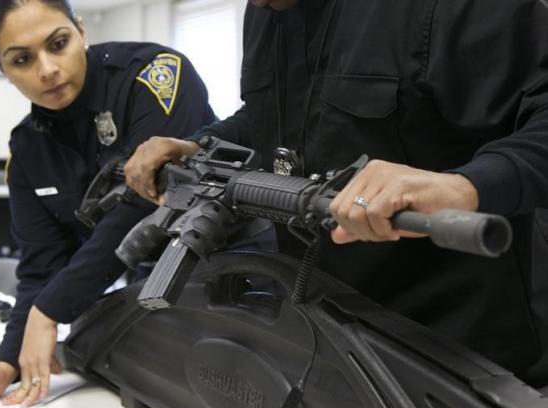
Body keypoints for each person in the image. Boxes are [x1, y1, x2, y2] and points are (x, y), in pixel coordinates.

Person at [125, 0, 548, 386]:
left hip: (469, 354)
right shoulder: (265, 13)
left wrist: (463, 186)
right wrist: (202, 143)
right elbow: (273, 119)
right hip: (336, 342)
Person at [0, 0, 215, 408]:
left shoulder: (151, 75)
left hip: (234, 275)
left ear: (82, 31)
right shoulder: (27, 151)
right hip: (153, 301)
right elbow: (41, 267)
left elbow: (143, 205)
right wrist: (5, 363)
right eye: (22, 59)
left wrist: (51, 308)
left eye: (58, 44)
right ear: (3, 69)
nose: (47, 69)